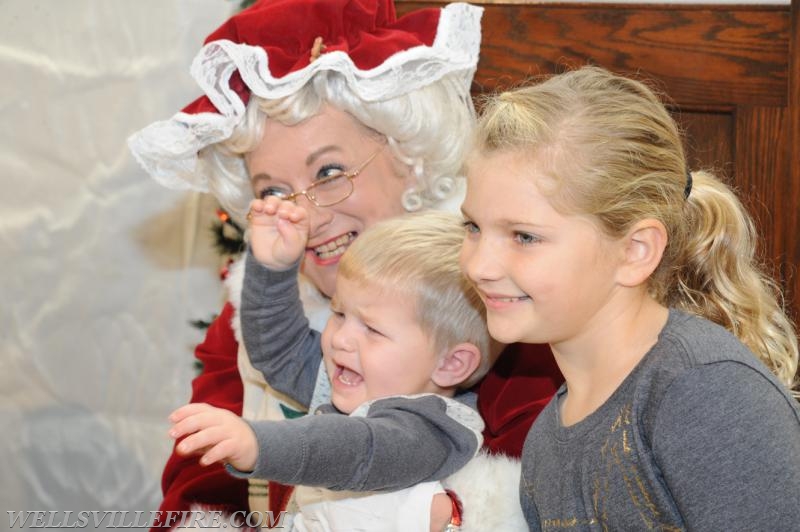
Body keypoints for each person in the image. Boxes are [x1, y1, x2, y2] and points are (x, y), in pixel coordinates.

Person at [128, 0, 562, 528]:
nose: (306, 215)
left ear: (410, 158)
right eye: (274, 191)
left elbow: (366, 448)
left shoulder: (501, 313)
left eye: (329, 173)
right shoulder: (255, 323)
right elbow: (200, 491)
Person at [458, 65, 800, 530]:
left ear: (635, 251)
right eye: (473, 227)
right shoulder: (545, 443)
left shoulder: (703, 392)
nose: (480, 265)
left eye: (524, 236)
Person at [170, 210, 526, 531]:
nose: (341, 339)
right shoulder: (355, 380)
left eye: (372, 329)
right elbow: (280, 352)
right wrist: (272, 270)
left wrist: (257, 444)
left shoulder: (436, 431)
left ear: (451, 364)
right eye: (339, 314)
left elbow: (356, 449)